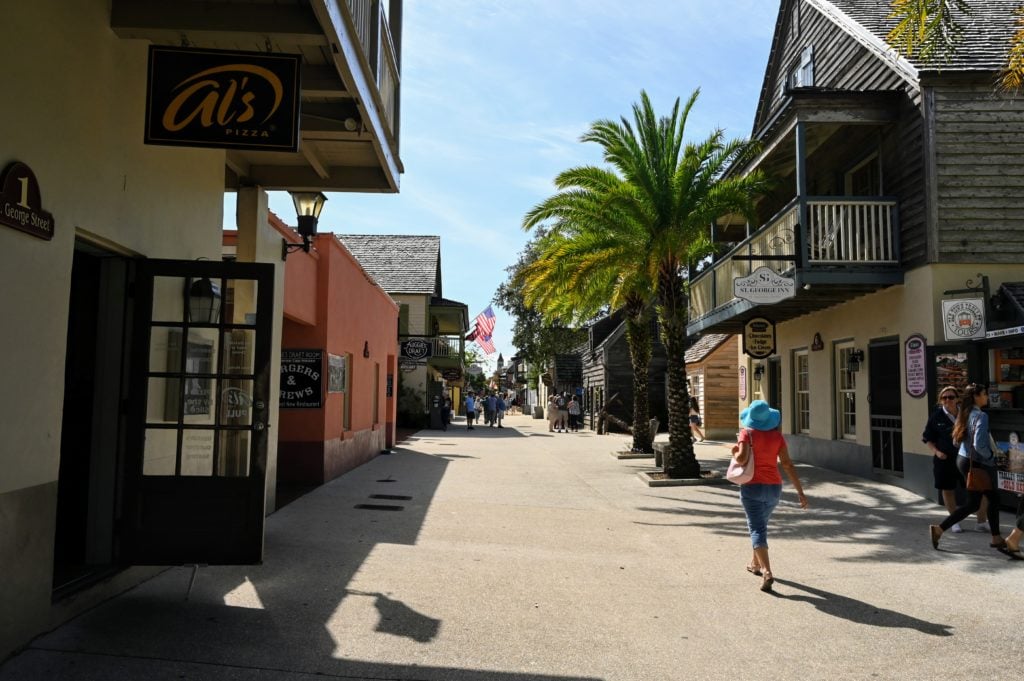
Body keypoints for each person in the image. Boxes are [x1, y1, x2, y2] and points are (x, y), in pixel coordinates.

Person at [731, 400, 808, 592]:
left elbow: (741, 459)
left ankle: (766, 571)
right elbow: (788, 465)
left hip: (752, 486)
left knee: (756, 528)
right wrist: (800, 492)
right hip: (774, 487)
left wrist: (734, 451)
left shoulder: (746, 434)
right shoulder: (777, 437)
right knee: (761, 526)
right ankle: (754, 564)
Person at [929, 383, 1007, 554]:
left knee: (973, 503)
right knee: (993, 498)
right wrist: (991, 457)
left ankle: (939, 529)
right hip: (977, 462)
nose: (986, 396)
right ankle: (996, 538)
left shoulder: (964, 413)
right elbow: (979, 445)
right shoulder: (980, 416)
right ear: (976, 397)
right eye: (984, 394)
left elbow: (956, 441)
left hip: (963, 460)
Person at [922, 385, 988, 533]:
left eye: (951, 397)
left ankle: (981, 521)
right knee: (948, 490)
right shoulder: (935, 417)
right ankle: (954, 522)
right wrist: (937, 452)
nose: (948, 400)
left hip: (966, 458)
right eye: (944, 398)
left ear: (957, 398)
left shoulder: (966, 414)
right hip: (945, 460)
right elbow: (927, 438)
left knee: (979, 490)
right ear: (940, 400)